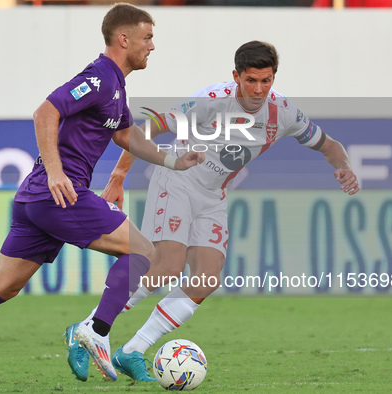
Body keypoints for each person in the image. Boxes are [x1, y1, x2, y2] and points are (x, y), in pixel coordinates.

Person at [0, 2, 203, 391]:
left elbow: (125, 135)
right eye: (148, 38)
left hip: (37, 199)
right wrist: (58, 171)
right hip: (59, 194)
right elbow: (45, 112)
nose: (152, 46)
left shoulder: (116, 86)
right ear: (123, 38)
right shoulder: (98, 78)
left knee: (4, 285)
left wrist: (172, 161)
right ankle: (94, 330)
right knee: (145, 253)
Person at [71, 40, 360, 382]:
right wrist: (119, 175)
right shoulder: (211, 101)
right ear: (236, 76)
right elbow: (149, 128)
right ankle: (88, 329)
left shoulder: (283, 113)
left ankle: (132, 351)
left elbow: (330, 145)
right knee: (168, 266)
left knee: (206, 278)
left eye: (266, 81)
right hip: (176, 179)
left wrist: (344, 167)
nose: (258, 89)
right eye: (251, 80)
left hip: (213, 194)